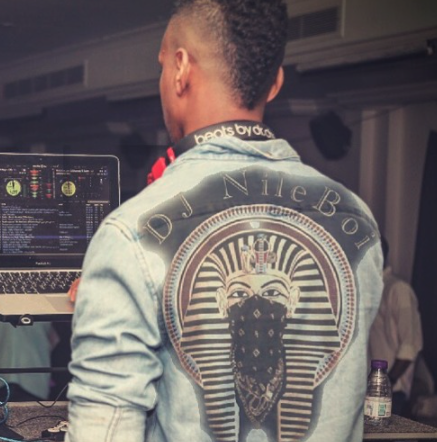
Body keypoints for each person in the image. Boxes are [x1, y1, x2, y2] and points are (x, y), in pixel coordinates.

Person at [65, 1, 383, 441]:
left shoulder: (130, 234)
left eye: (162, 65)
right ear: (275, 83)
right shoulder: (357, 221)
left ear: (180, 69)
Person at [368, 236, 423, 416]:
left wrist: (386, 383)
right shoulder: (367, 291)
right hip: (367, 390)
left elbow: (410, 346)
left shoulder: (398, 289)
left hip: (390, 393)